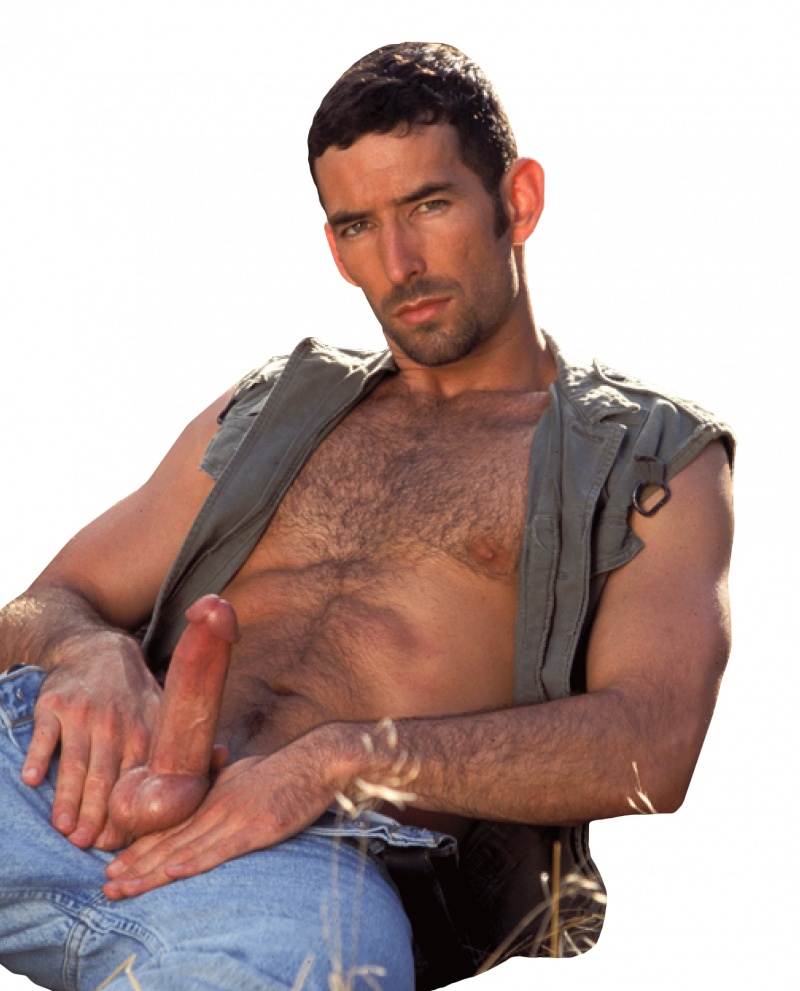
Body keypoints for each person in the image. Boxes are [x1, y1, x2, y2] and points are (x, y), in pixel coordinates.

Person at [0, 41, 734, 991]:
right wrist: (86, 649)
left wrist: (333, 760)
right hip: (58, 773)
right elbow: (45, 600)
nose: (398, 264)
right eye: (358, 225)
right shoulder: (272, 407)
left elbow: (654, 743)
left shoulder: (650, 453)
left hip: (305, 868)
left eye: (429, 206)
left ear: (518, 201)